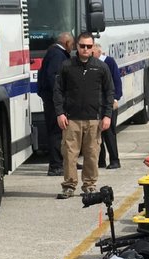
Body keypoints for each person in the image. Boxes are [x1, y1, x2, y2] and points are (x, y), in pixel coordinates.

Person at [53, 31, 114, 199]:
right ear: (76, 47)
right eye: (82, 46)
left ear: (93, 47)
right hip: (71, 119)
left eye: (89, 46)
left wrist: (107, 115)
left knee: (92, 154)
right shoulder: (66, 66)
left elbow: (110, 91)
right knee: (69, 155)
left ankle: (89, 185)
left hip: (94, 120)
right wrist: (60, 113)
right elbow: (57, 91)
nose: (85, 49)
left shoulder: (101, 67)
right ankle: (69, 186)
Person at [37, 32, 74, 176]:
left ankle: (67, 161)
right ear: (66, 43)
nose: (72, 48)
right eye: (72, 45)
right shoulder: (58, 55)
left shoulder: (53, 53)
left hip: (51, 98)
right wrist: (61, 96)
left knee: (65, 132)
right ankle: (55, 165)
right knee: (56, 132)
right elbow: (54, 78)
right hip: (54, 100)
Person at [94, 42, 122, 169]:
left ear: (99, 52)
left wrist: (115, 98)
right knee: (96, 133)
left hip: (109, 103)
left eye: (92, 52)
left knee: (109, 133)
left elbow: (116, 81)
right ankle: (100, 161)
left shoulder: (109, 62)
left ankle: (115, 160)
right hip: (96, 104)